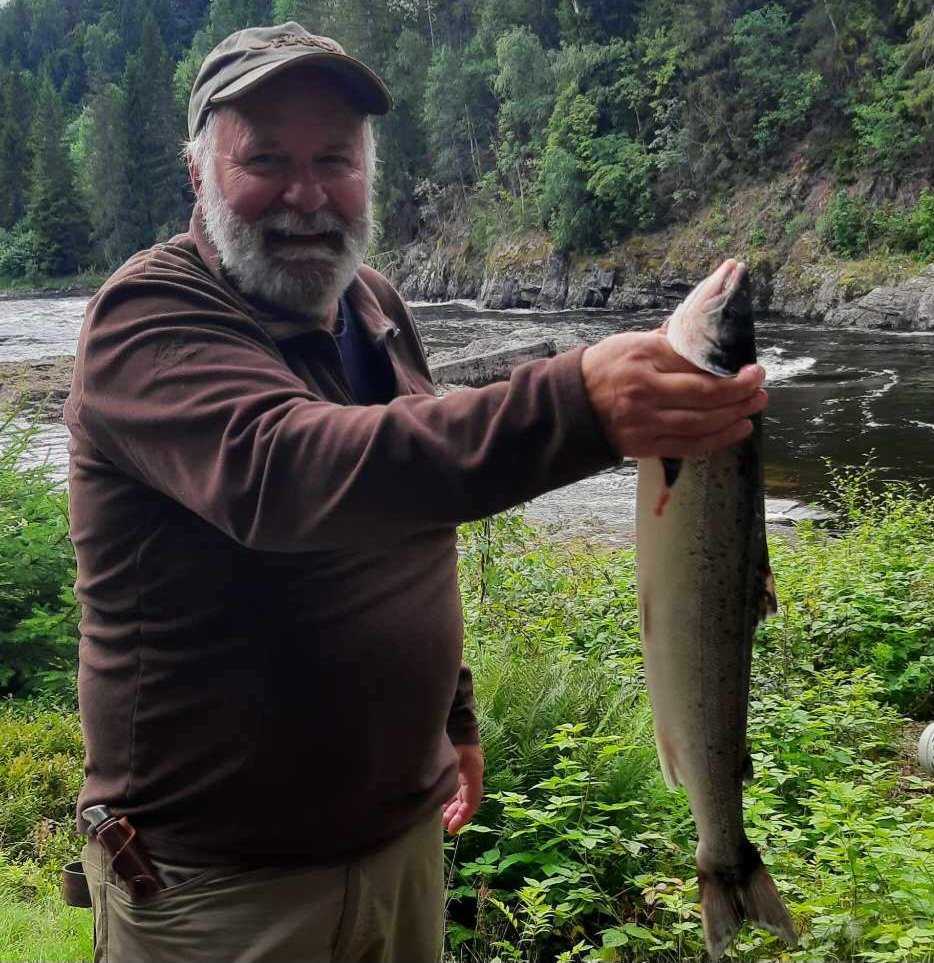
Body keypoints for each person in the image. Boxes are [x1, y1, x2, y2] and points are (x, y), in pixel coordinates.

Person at [65, 22, 767, 963]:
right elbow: (286, 473)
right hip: (218, 887)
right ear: (198, 174)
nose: (307, 194)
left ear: (368, 172)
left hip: (400, 847)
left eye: (334, 159)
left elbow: (410, 505)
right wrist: (576, 403)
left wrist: (452, 718)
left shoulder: (374, 305)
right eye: (265, 159)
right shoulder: (148, 317)